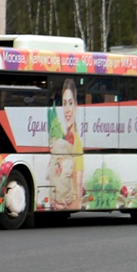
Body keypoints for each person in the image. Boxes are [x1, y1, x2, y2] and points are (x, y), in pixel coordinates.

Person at [49, 78, 84, 211]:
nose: (67, 109)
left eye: (70, 103)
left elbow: (78, 203)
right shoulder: (61, 142)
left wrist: (61, 207)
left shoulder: (77, 145)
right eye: (64, 103)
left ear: (75, 105)